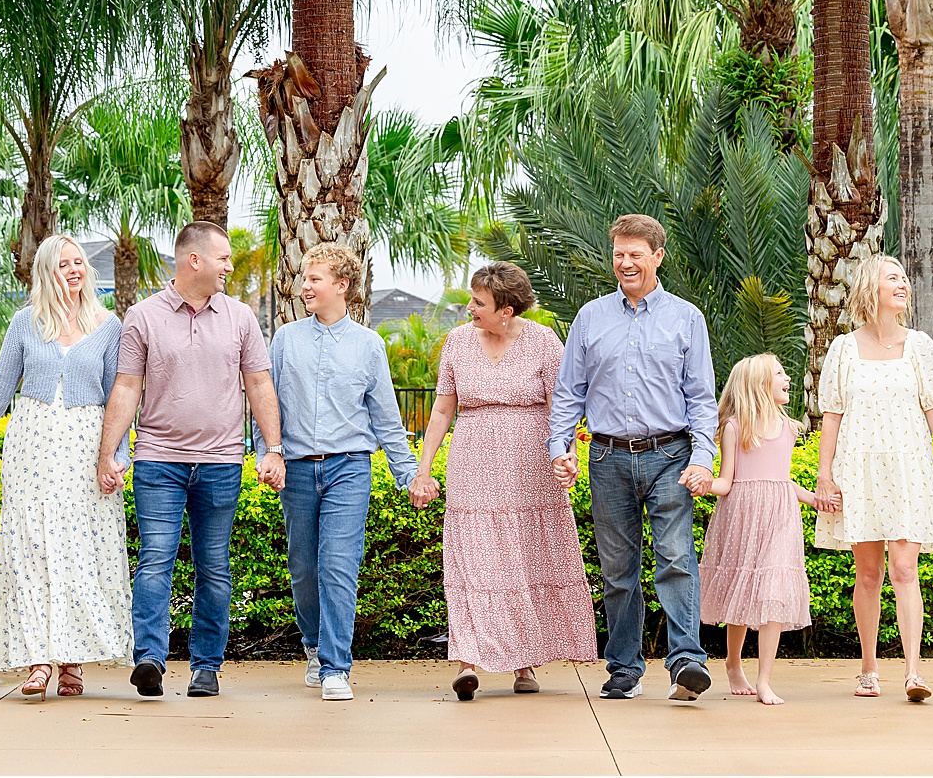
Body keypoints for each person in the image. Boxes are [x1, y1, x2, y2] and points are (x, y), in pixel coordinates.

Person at [98, 221, 285, 700]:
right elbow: (126, 386)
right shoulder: (143, 316)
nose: (230, 266)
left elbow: (260, 384)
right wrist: (108, 454)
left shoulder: (241, 317)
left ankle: (206, 667)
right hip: (159, 460)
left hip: (221, 463)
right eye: (223, 258)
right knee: (155, 562)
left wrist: (274, 449)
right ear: (193, 261)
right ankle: (150, 661)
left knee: (214, 567)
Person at [0, 234, 131, 701]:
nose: (74, 270)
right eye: (64, 264)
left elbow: (119, 400)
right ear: (46, 271)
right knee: (30, 549)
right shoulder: (25, 323)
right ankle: (38, 661)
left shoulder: (109, 325)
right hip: (32, 445)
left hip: (86, 447)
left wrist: (116, 456)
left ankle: (72, 662)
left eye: (79, 263)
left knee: (78, 549)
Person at [548, 213, 719, 701]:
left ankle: (686, 662)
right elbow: (568, 394)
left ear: (658, 256)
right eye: (619, 254)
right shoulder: (590, 317)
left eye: (635, 255)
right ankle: (624, 667)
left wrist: (703, 457)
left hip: (670, 454)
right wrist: (560, 449)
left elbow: (701, 399)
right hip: (607, 458)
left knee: (676, 559)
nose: (625, 263)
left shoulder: (687, 318)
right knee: (618, 569)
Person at [414, 261, 596, 702]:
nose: (470, 308)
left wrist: (566, 455)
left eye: (479, 302)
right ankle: (466, 661)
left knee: (524, 560)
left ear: (507, 310)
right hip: (473, 463)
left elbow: (561, 408)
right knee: (473, 561)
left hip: (530, 467)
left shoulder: (543, 341)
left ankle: (524, 663)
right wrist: (424, 469)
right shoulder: (457, 342)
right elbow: (442, 411)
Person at [261, 243, 426, 701]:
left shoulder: (369, 346)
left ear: (341, 286)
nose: (305, 286)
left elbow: (388, 421)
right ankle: (313, 645)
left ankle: (336, 667)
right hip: (296, 469)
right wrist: (267, 452)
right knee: (303, 568)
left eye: (314, 279)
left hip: (349, 468)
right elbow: (266, 404)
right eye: (304, 278)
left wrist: (407, 474)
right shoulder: (285, 339)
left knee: (338, 565)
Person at [812, 255, 933, 701]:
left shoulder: (921, 346)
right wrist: (825, 476)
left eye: (905, 278)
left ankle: (913, 672)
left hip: (908, 469)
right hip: (858, 471)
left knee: (905, 568)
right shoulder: (842, 349)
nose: (904, 284)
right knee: (868, 574)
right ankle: (869, 670)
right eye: (893, 277)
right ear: (871, 288)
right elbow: (831, 416)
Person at [699, 354, 815, 706]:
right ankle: (733, 663)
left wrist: (812, 498)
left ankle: (765, 679)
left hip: (780, 515)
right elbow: (726, 481)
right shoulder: (735, 428)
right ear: (759, 385)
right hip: (742, 516)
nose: (787, 378)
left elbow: (782, 479)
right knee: (742, 587)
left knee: (773, 590)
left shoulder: (789, 428)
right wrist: (704, 482)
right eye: (779, 373)